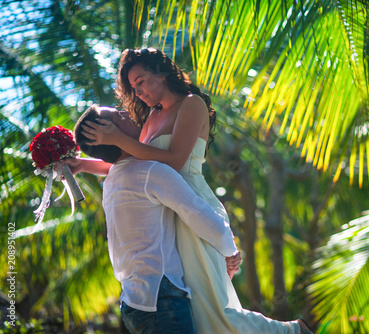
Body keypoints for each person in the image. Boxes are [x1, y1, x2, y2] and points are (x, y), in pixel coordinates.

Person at [81, 48, 313, 334]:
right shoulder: (153, 116)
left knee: (214, 311)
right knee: (200, 318)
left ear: (161, 73)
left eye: (141, 81)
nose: (137, 91)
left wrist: (116, 137)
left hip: (192, 205)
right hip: (167, 212)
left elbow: (175, 160)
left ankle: (293, 331)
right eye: (133, 86)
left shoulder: (191, 105)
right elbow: (134, 163)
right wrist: (81, 164)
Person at [72, 105, 241, 334]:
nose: (124, 111)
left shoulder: (113, 179)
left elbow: (118, 161)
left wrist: (83, 163)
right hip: (161, 300)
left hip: (135, 302)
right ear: (109, 133)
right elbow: (199, 215)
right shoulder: (150, 171)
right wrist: (230, 251)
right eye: (116, 116)